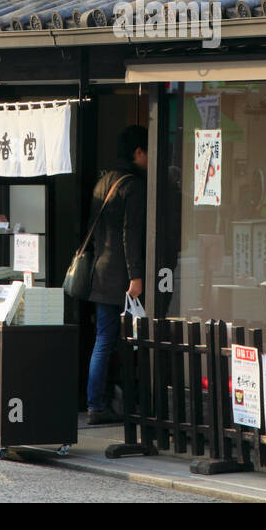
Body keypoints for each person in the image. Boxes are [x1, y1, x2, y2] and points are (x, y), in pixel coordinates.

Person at [84, 123, 147, 424]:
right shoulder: (132, 185)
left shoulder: (103, 181)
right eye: (149, 151)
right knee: (119, 340)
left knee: (104, 339)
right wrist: (136, 275)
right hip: (121, 277)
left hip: (101, 272)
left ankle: (99, 403)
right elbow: (130, 235)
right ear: (138, 152)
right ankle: (104, 404)